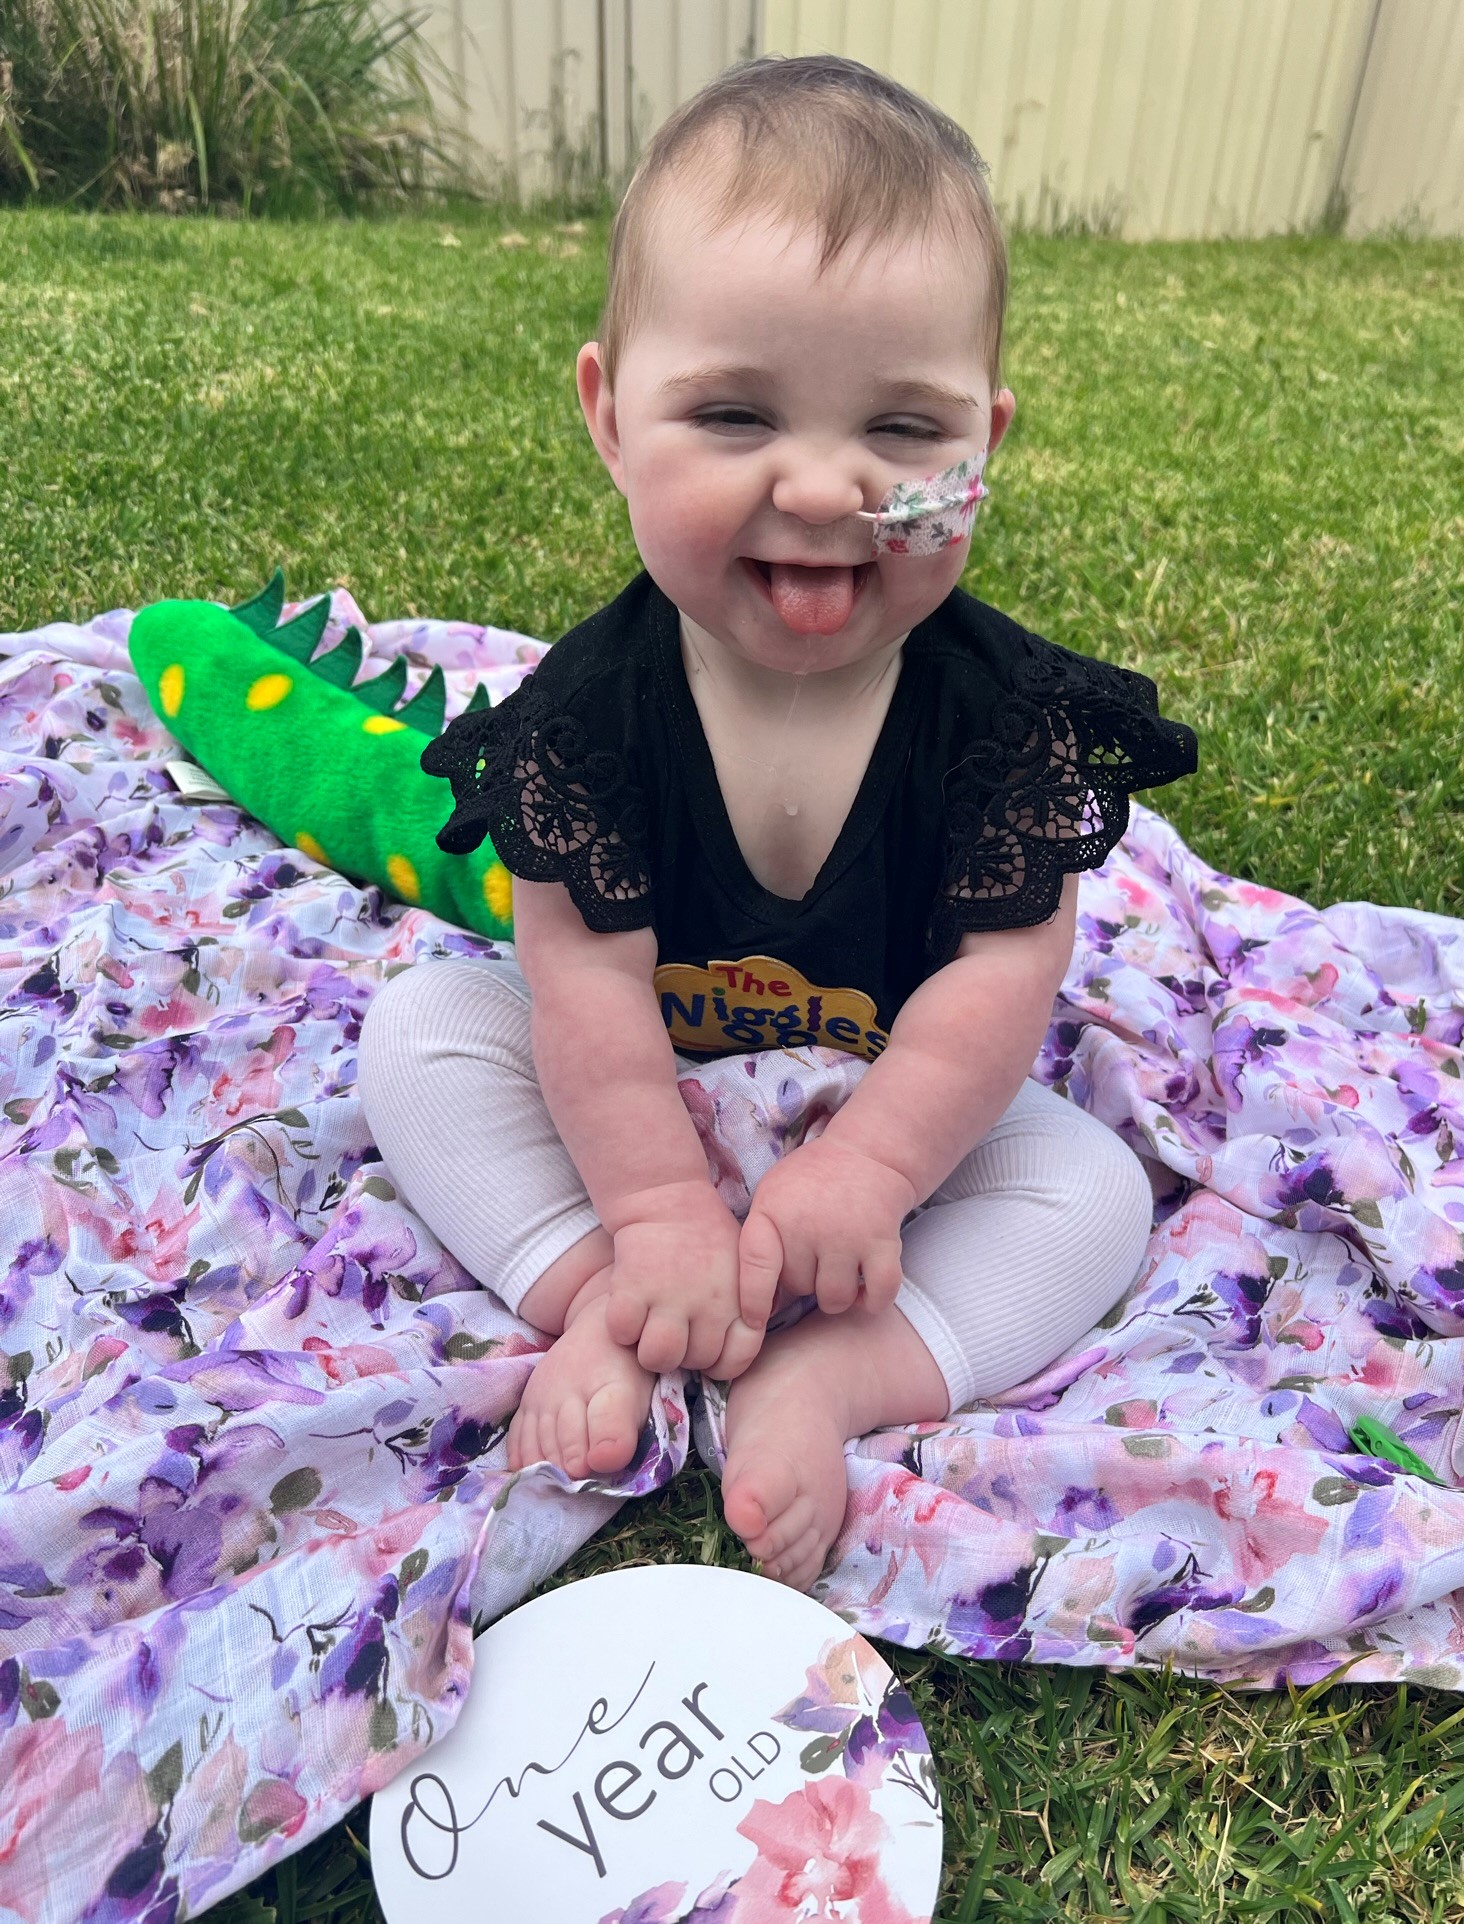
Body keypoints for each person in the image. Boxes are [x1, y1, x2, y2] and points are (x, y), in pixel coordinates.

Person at [357, 53, 1197, 1593]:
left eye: (902, 427)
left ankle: (835, 1375)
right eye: (735, 413)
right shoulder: (591, 717)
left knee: (1091, 1194)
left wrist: (872, 1170)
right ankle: (609, 1295)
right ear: (612, 418)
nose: (822, 485)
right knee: (418, 1031)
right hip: (635, 1112)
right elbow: (590, 990)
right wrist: (660, 1209)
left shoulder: (997, 719)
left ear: (984, 445)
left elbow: (998, 985)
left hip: (894, 1123)